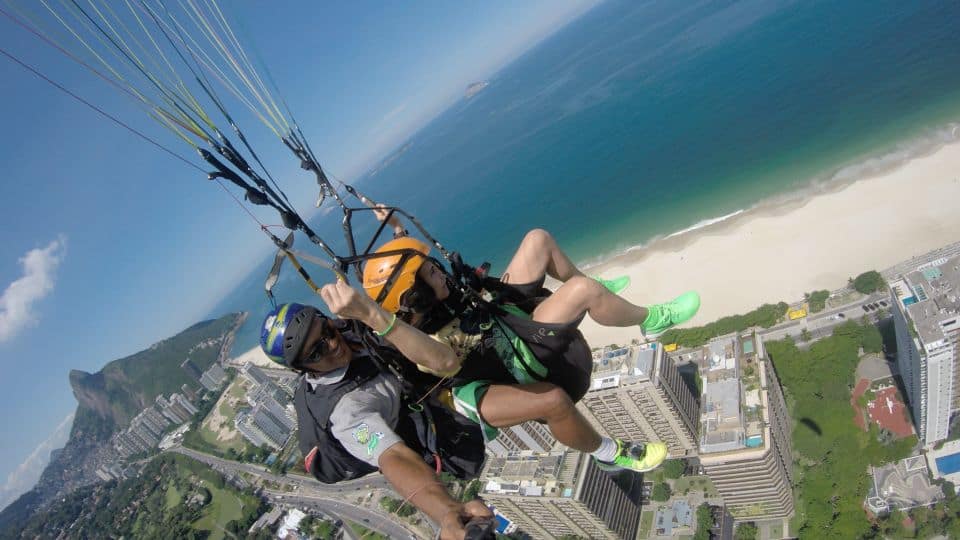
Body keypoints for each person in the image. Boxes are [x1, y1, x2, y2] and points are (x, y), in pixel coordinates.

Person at [354, 219, 701, 472]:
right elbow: (443, 362)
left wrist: (395, 229)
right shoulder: (424, 342)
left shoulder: (433, 297)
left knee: (538, 239)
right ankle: (612, 451)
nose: (439, 272)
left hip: (503, 326)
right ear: (415, 298)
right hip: (503, 368)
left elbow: (408, 273)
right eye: (430, 274)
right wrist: (375, 317)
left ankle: (594, 290)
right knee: (580, 305)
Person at [260, 302, 491, 540]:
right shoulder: (346, 412)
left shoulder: (350, 331)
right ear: (304, 369)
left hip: (412, 389)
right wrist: (447, 511)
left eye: (327, 330)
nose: (332, 344)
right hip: (422, 425)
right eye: (316, 352)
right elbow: (393, 456)